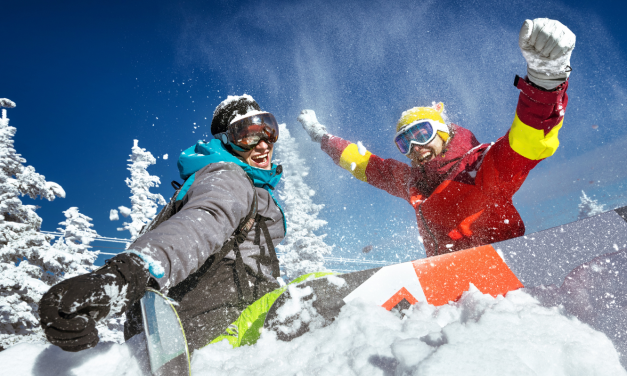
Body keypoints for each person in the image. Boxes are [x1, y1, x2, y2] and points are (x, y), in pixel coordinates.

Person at [298, 18, 576, 257]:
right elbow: (365, 165)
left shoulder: (479, 165)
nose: (416, 147)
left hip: (505, 271)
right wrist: (321, 137)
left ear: (442, 132)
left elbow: (525, 144)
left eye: (422, 134)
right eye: (404, 142)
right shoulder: (413, 183)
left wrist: (545, 83)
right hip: (452, 287)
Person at [38, 95, 286, 352]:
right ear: (225, 140)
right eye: (249, 135)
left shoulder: (220, 182)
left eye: (269, 132)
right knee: (322, 294)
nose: (263, 145)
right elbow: (200, 225)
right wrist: (128, 274)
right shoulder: (229, 178)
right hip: (219, 321)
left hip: (186, 322)